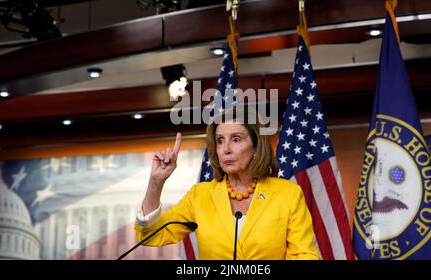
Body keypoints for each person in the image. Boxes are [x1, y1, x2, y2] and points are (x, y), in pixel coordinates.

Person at [134, 107, 320, 260]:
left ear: (256, 146)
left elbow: (305, 255)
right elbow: (151, 235)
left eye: (236, 139)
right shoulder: (201, 195)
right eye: (220, 141)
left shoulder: (288, 194)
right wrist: (155, 182)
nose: (226, 150)